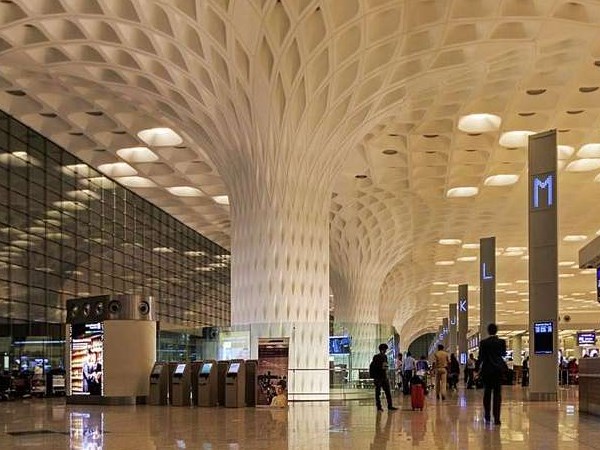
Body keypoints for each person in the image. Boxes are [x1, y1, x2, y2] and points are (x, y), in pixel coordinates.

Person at [476, 323, 507, 425]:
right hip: (498, 370)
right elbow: (503, 354)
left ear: (488, 331)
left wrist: (477, 368)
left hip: (487, 370)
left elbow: (481, 357)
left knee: (487, 392)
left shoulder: (483, 343)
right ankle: (497, 418)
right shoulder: (501, 342)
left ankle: (487, 415)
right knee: (497, 394)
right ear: (496, 331)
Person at [370, 343, 398, 411]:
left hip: (381, 376)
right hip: (379, 377)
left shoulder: (382, 356)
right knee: (381, 392)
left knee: (384, 392)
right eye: (385, 349)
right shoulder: (379, 357)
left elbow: (384, 366)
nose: (386, 351)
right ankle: (382, 406)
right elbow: (382, 366)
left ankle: (385, 406)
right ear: (382, 349)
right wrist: (383, 367)